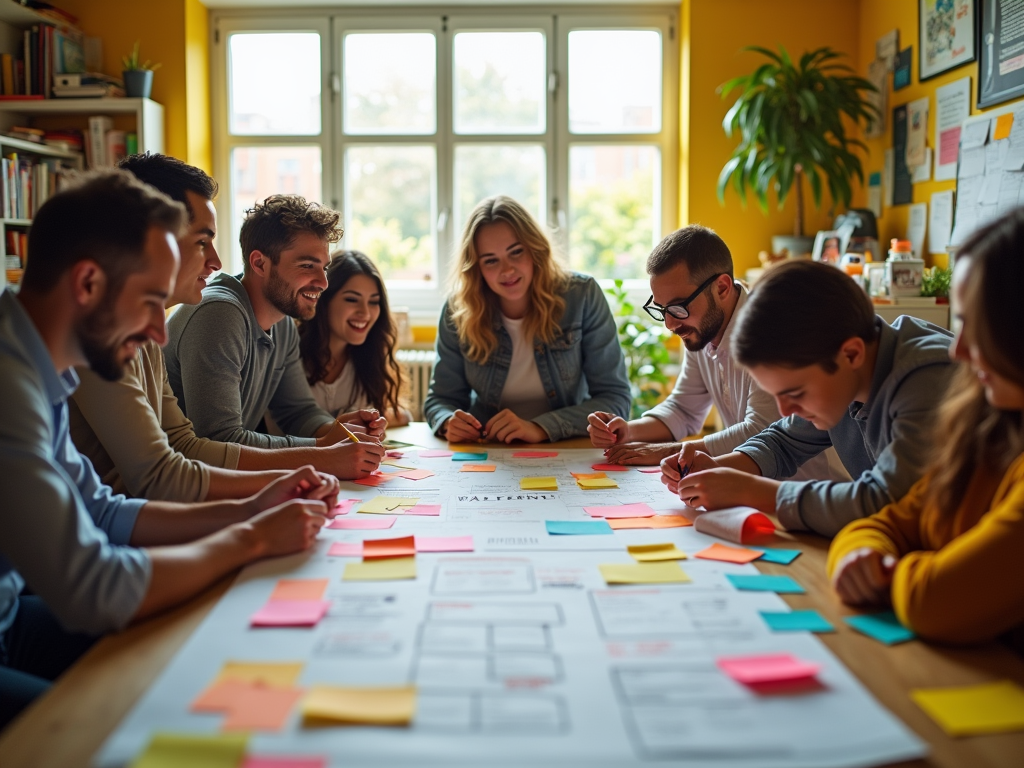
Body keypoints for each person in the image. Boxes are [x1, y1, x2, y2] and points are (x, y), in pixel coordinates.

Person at [0, 170, 336, 727]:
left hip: (14, 616)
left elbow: (102, 511)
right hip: (23, 622)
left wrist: (250, 508)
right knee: (111, 728)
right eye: (152, 301)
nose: (161, 332)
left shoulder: (41, 365)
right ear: (87, 284)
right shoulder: (12, 385)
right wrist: (248, 538)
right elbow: (92, 587)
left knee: (196, 658)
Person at [68, 156, 380, 499]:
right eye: (202, 241)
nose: (216, 261)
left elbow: (182, 447)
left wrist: (332, 439)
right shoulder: (209, 314)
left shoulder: (143, 332)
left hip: (136, 510)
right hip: (126, 516)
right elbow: (171, 469)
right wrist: (319, 458)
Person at [828, 211, 1024, 649]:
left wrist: (885, 572)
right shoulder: (987, 428)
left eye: (979, 325)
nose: (959, 349)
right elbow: (883, 524)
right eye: (959, 323)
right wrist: (866, 553)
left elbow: (932, 602)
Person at [662, 260, 955, 537]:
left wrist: (756, 492)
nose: (785, 409)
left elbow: (891, 502)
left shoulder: (927, 378)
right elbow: (783, 441)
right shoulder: (842, 374)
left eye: (795, 393)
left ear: (851, 354)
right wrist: (720, 467)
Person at [587, 225, 843, 487]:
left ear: (722, 287)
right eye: (662, 309)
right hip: (756, 489)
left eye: (678, 307)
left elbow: (762, 430)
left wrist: (667, 451)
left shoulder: (770, 327)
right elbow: (684, 409)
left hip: (813, 493)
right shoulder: (701, 329)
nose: (670, 324)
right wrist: (629, 430)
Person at [163, 194, 384, 473]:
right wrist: (323, 450)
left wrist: (340, 431)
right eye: (307, 266)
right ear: (259, 264)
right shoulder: (219, 314)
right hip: (176, 483)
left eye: (324, 267)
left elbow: (297, 411)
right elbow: (219, 440)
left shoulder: (283, 321)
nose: (323, 282)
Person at [423, 195, 630, 443]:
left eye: (516, 252)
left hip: (567, 446)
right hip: (491, 450)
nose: (507, 270)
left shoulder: (582, 295)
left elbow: (615, 399)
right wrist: (447, 422)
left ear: (535, 249)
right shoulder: (458, 310)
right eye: (491, 260)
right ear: (476, 268)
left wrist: (540, 428)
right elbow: (440, 400)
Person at [298, 250, 410, 426]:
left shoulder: (367, 359)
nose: (365, 313)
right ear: (323, 301)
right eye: (351, 299)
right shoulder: (290, 353)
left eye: (373, 302)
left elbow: (398, 415)